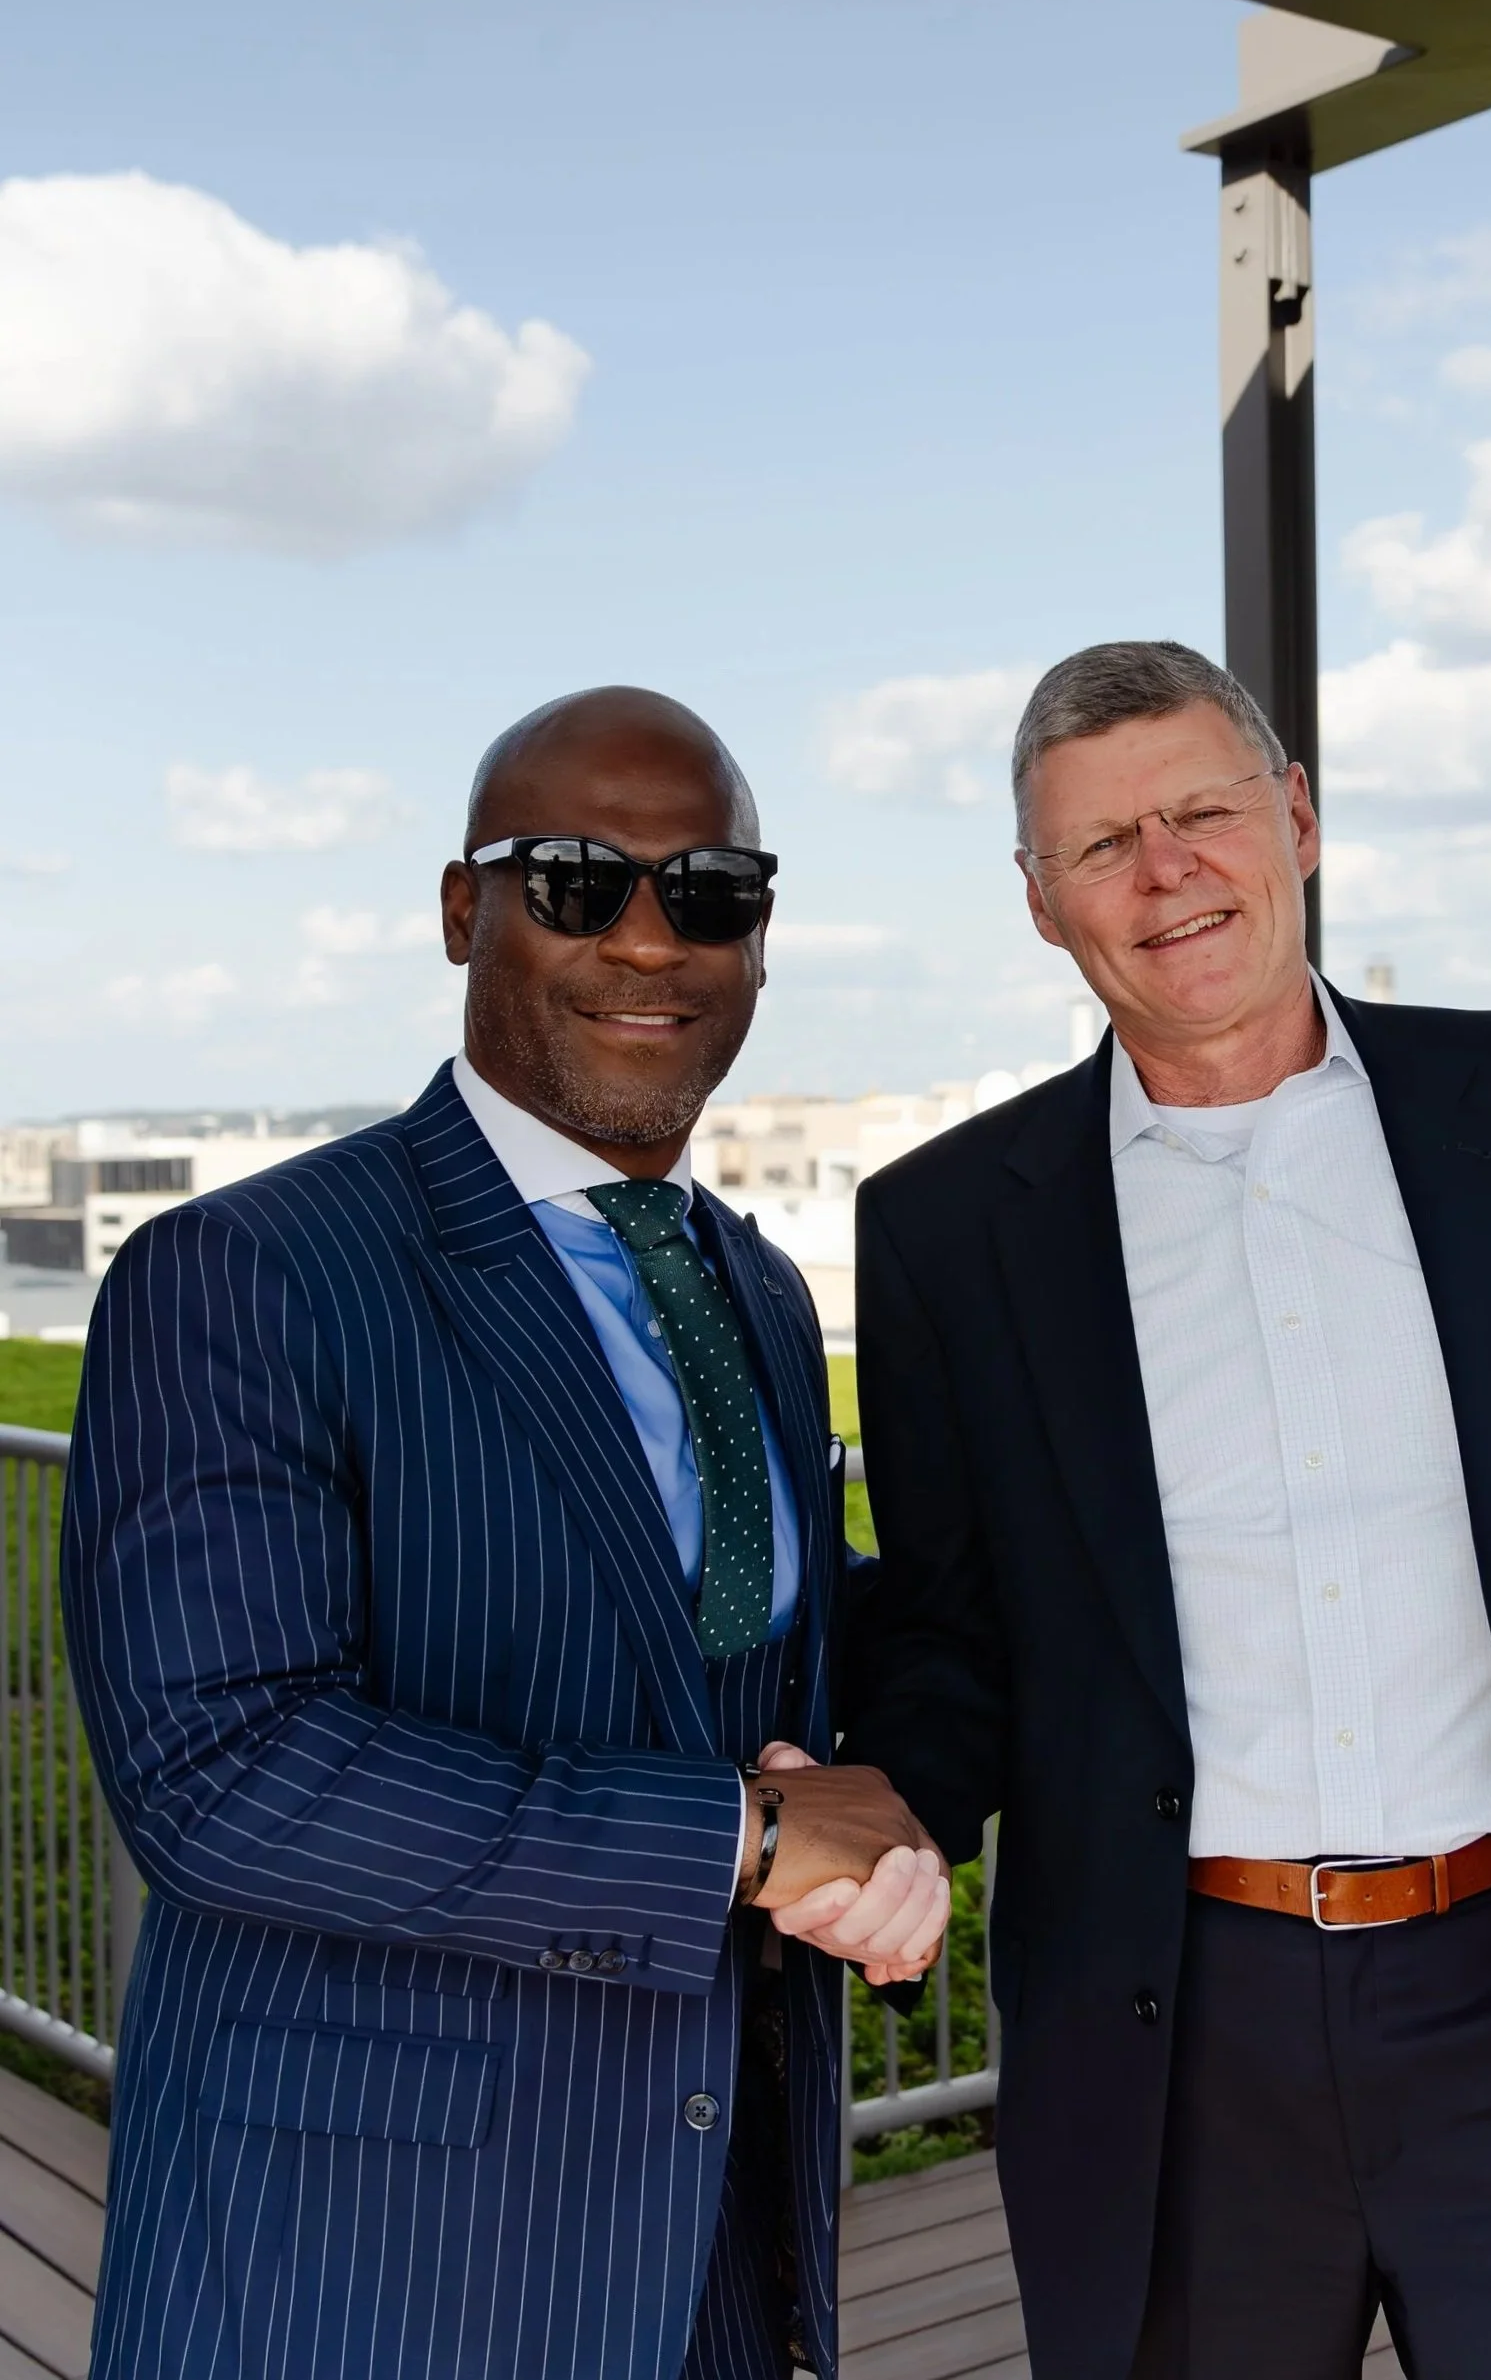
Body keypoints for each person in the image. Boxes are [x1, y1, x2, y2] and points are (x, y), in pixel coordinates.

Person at [821, 640, 1491, 2380]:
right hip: (1176, 2041)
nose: (1165, 869)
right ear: (1041, 904)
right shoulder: (953, 1231)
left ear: (1301, 818)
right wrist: (879, 1811)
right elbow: (961, 1644)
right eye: (1102, 845)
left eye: (1202, 810)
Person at [61, 686, 948, 2380]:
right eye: (571, 880)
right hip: (375, 2272)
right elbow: (221, 1768)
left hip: (715, 2238)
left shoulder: (753, 1290)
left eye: (709, 892)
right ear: (463, 907)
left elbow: (735, 1627)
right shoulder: (246, 1272)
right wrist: (744, 1842)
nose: (645, 939)